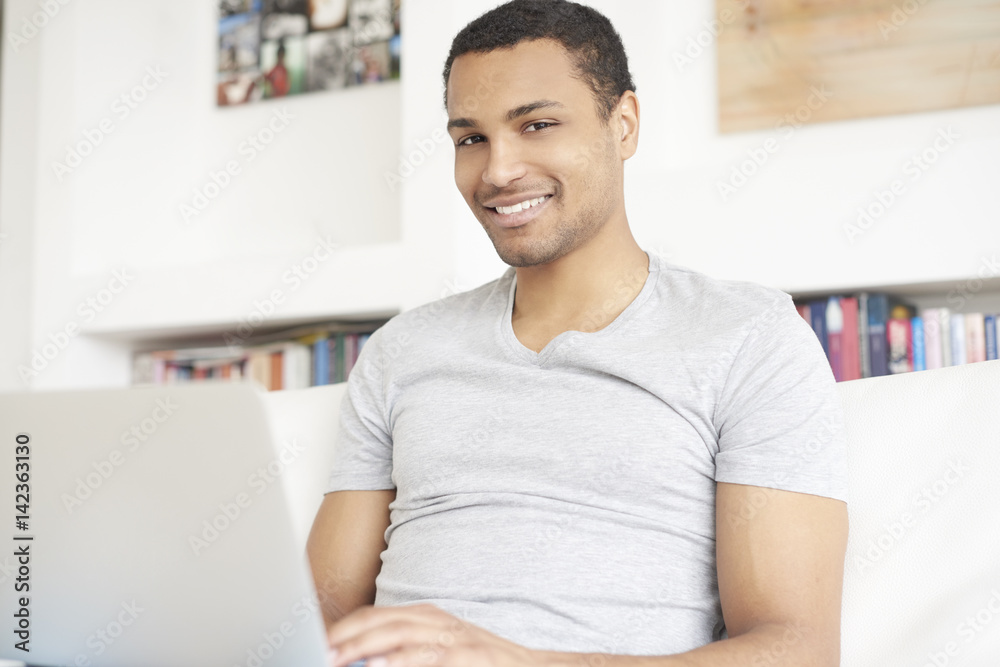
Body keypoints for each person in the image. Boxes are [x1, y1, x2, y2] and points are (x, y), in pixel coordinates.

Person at [308, 2, 849, 666]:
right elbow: (312, 622)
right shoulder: (402, 349)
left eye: (536, 125)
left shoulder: (749, 339)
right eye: (470, 138)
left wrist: (518, 661)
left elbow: (797, 650)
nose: (498, 170)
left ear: (623, 124)